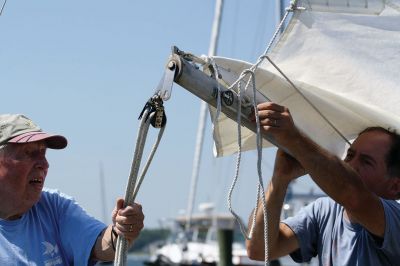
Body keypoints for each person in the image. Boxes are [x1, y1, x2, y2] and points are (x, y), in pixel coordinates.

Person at [246, 102, 400, 265]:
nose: (351, 165)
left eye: (366, 162)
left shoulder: (396, 218)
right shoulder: (324, 211)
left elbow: (353, 195)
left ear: (395, 187)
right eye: (350, 155)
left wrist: (294, 139)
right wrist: (280, 178)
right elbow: (259, 249)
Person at [0, 114, 145, 264]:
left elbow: (102, 244)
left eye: (43, 153)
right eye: (29, 152)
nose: (44, 164)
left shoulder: (54, 206)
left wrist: (122, 229)